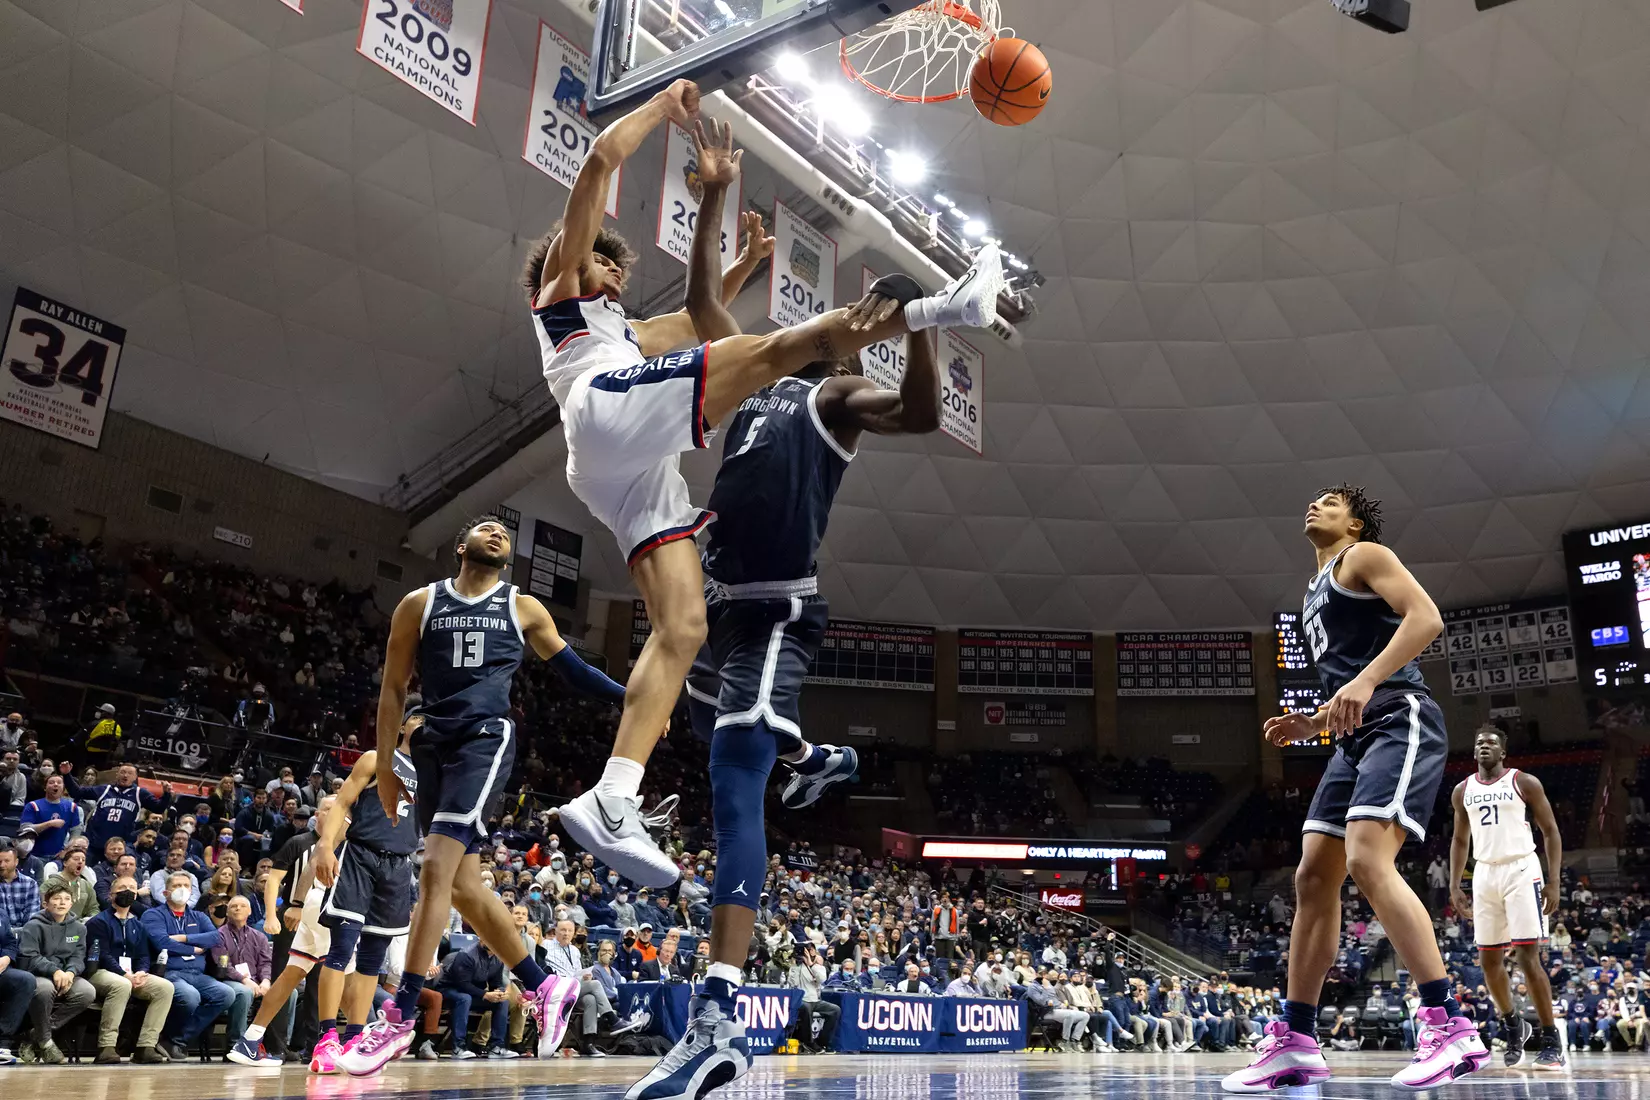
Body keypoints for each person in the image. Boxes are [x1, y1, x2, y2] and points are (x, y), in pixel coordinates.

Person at [528, 85, 1002, 904]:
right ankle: (944, 304)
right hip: (605, 414)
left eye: (612, 261)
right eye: (605, 258)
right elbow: (602, 158)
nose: (610, 267)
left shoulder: (625, 332)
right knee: (797, 346)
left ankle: (614, 796)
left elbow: (700, 316)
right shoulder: (560, 291)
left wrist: (726, 221)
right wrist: (665, 110)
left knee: (683, 625)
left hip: (622, 468)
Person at [636, 118, 948, 1098]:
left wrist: (928, 320)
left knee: (734, 769)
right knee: (711, 726)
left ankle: (718, 1016)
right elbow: (695, 303)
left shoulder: (834, 397)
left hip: (775, 609)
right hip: (721, 606)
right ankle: (822, 758)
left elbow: (928, 415)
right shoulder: (753, 376)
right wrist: (717, 196)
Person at [1224, 485, 1488, 1093]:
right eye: (1311, 501)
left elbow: (1426, 619)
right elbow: (1348, 681)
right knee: (1313, 875)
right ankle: (1295, 1040)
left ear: (1356, 521)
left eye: (1329, 502)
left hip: (1400, 716)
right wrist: (1312, 721)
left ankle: (1447, 1026)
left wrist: (1366, 684)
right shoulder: (1311, 592)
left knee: (1368, 860)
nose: (1313, 507)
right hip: (1352, 737)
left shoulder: (1363, 556)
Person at [362, 519, 632, 1072]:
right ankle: (543, 984)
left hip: (485, 738)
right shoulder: (419, 603)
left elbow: (575, 671)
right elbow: (393, 689)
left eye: (505, 535)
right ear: (460, 548)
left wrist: (629, 699)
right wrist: (388, 765)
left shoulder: (523, 605)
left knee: (435, 870)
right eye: (485, 529)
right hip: (433, 743)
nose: (497, 534)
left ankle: (399, 1019)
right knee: (460, 887)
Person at [298, 708, 422, 1075]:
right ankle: (326, 1036)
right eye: (419, 720)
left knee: (373, 959)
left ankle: (356, 1036)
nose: (427, 727)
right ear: (403, 726)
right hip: (361, 857)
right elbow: (343, 802)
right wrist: (324, 845)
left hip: (400, 866)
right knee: (340, 949)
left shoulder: (434, 775)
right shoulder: (377, 758)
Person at [1449, 725, 1565, 1070]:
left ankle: (1550, 1039)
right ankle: (1513, 1024)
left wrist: (1555, 881)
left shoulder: (1524, 782)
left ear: (1503, 753)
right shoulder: (1462, 790)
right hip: (1484, 873)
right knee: (1488, 961)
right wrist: (1456, 885)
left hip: (1521, 868)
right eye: (1479, 743)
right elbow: (1459, 841)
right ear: (1474, 752)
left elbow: (1551, 830)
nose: (1484, 746)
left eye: (1491, 743)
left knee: (1528, 958)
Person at [227, 797, 335, 1066]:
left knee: (318, 987)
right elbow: (273, 879)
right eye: (329, 809)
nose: (336, 814)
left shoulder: (341, 846)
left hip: (325, 919)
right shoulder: (298, 842)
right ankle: (273, 1045)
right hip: (293, 916)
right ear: (317, 814)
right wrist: (272, 916)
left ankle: (313, 1046)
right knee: (284, 981)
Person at [143, 870, 235, 1060]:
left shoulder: (199, 917)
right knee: (190, 997)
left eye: (186, 886)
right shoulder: (152, 915)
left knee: (226, 994)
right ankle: (171, 1038)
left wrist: (184, 938)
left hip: (197, 974)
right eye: (176, 886)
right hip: (170, 972)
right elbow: (162, 942)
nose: (182, 890)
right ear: (165, 893)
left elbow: (215, 937)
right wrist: (193, 949)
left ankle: (176, 1039)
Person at [85, 875, 174, 1063]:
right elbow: (103, 955)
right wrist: (125, 975)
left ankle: (146, 1046)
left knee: (165, 988)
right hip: (101, 972)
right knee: (121, 985)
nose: (128, 891)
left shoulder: (138, 924)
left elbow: (143, 955)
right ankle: (106, 1046)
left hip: (131, 974)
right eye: (123, 887)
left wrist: (141, 972)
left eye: (132, 888)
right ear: (111, 895)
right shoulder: (98, 922)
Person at [16, 883, 96, 1063]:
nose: (62, 903)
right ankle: (46, 1043)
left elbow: (78, 956)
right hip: (37, 973)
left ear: (71, 903)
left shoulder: (79, 928)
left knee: (87, 992)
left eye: (66, 899)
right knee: (44, 990)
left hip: (65, 975)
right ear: (46, 903)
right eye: (56, 899)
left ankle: (36, 1034)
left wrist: (70, 972)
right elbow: (30, 956)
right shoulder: (33, 926)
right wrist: (55, 970)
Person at [430, 939, 516, 1060]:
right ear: (481, 938)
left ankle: (497, 1047)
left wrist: (500, 992)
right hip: (449, 990)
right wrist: (485, 995)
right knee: (464, 998)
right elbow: (462, 984)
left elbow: (495, 983)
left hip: (473, 994)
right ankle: (458, 1048)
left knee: (502, 1002)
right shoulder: (467, 954)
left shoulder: (498, 958)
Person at [543, 918, 617, 1054]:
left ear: (573, 933)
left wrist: (584, 976)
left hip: (573, 988)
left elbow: (576, 973)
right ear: (556, 931)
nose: (566, 933)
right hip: (556, 988)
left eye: (570, 931)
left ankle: (588, 1043)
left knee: (591, 999)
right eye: (563, 930)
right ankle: (612, 1019)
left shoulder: (575, 951)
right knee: (595, 984)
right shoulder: (546, 944)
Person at [64, 763, 173, 852]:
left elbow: (158, 808)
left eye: (130, 773)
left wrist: (166, 794)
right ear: (117, 775)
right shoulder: (104, 789)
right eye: (123, 772)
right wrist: (66, 774)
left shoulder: (140, 793)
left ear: (135, 777)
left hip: (120, 845)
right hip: (95, 842)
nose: (125, 775)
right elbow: (76, 792)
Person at [217, 895, 272, 1046]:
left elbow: (266, 963)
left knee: (289, 993)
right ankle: (236, 1043)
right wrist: (245, 980)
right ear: (227, 913)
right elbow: (223, 966)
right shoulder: (219, 935)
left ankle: (277, 1044)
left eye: (242, 906)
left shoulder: (259, 936)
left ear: (249, 911)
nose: (238, 908)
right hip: (230, 980)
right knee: (244, 992)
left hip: (257, 980)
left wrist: (266, 981)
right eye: (233, 906)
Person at [19, 774, 81, 862]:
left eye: (59, 783)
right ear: (45, 787)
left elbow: (76, 831)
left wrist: (67, 850)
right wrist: (49, 824)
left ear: (63, 788)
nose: (55, 784)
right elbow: (24, 829)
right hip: (35, 855)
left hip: (58, 856)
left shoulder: (71, 807)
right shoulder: (33, 806)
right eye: (51, 782)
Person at [0, 842, 40, 933]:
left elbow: (32, 916)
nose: (2, 865)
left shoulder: (30, 884)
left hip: (25, 933)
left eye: (6, 861)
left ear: (16, 862)